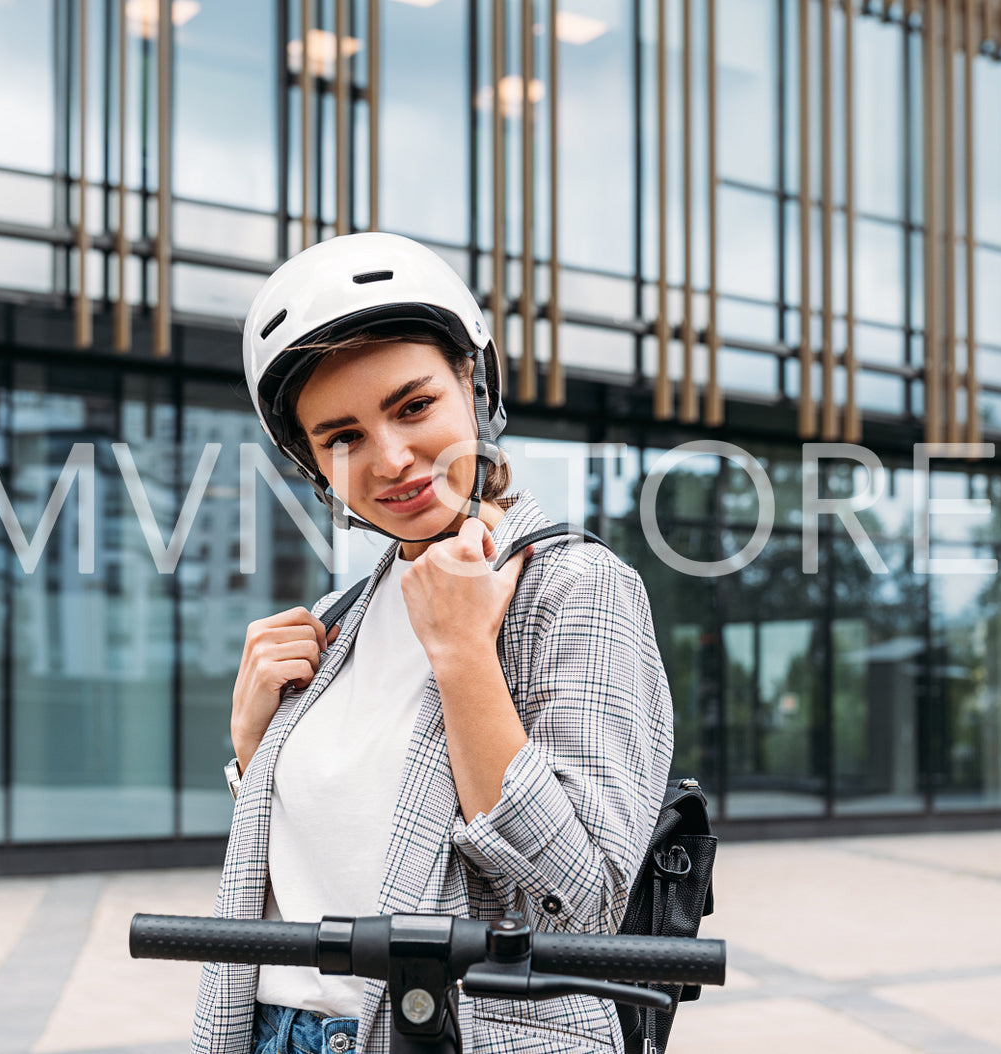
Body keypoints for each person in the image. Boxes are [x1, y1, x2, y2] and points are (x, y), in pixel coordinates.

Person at [191, 232, 674, 1054]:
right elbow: (338, 862)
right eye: (340, 437)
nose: (391, 458)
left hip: (441, 1034)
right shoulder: (338, 618)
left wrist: (462, 657)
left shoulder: (571, 586)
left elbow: (583, 898)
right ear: (314, 467)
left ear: (474, 389)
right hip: (272, 1030)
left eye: (414, 406)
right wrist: (255, 754)